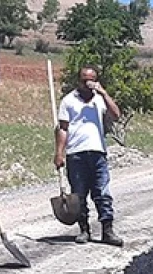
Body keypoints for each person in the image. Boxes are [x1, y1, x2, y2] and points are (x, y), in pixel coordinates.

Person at [54, 65, 123, 246]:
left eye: (91, 80)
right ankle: (84, 230)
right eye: (84, 80)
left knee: (102, 192)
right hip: (76, 154)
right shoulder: (69, 101)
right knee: (79, 194)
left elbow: (116, 115)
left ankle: (107, 231)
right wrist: (59, 153)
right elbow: (63, 128)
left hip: (97, 152)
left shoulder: (100, 100)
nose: (88, 83)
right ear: (79, 81)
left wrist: (104, 93)